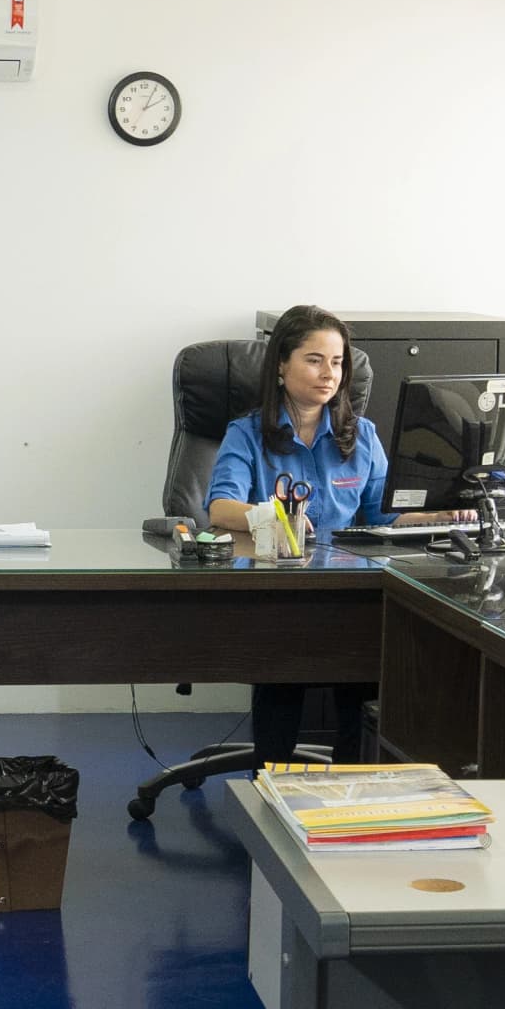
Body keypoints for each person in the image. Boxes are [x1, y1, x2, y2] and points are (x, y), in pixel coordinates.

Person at [204, 304, 389, 767]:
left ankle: (350, 795)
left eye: (338, 362)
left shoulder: (362, 436)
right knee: (285, 663)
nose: (329, 373)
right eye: (314, 359)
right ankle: (270, 786)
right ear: (282, 365)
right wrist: (273, 515)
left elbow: (381, 517)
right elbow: (220, 508)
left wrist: (438, 513)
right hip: (277, 591)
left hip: (350, 594)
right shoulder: (246, 433)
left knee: (366, 667)